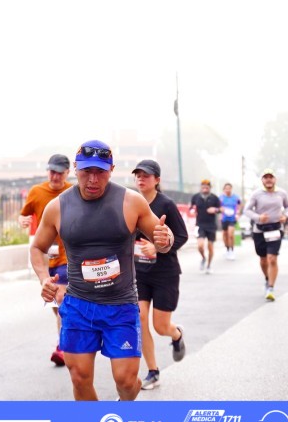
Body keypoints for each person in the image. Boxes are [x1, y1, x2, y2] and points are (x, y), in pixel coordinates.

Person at [29, 140, 175, 401]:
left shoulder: (131, 202)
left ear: (112, 170)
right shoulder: (58, 207)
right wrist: (43, 279)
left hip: (120, 305)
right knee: (79, 377)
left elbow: (163, 239)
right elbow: (37, 248)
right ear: (76, 169)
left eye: (100, 172)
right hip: (78, 305)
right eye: (87, 171)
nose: (93, 179)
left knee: (126, 382)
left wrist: (164, 240)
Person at [131, 159, 189, 390]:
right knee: (140, 318)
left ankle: (176, 335)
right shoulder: (130, 203)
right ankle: (153, 371)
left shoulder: (166, 204)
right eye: (138, 175)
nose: (141, 178)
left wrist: (156, 247)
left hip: (165, 273)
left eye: (146, 175)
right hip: (140, 272)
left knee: (160, 326)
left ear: (157, 180)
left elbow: (182, 236)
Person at [19, 153, 73, 366]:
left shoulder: (72, 192)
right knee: (55, 304)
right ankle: (66, 340)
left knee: (61, 298)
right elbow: (24, 214)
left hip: (66, 256)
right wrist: (22, 220)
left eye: (59, 173)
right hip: (44, 259)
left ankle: (62, 347)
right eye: (52, 172)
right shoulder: (37, 191)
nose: (55, 176)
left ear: (67, 173)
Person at [243, 169, 288, 301]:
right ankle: (267, 278)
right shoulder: (256, 194)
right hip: (259, 230)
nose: (269, 179)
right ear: (262, 180)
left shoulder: (281, 193)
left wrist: (285, 216)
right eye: (266, 177)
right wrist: (258, 217)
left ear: (275, 179)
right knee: (263, 259)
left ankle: (270, 287)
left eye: (271, 177)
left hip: (275, 229)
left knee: (272, 258)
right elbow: (246, 210)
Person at [190, 179, 221, 273]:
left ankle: (209, 265)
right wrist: (192, 210)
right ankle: (203, 258)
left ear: (210, 188)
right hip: (200, 225)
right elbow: (191, 207)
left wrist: (215, 210)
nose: (205, 189)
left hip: (211, 225)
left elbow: (221, 209)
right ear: (201, 187)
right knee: (200, 245)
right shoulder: (196, 197)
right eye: (203, 187)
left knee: (210, 247)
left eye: (207, 187)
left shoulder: (214, 198)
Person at [219, 182, 242, 260]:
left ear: (231, 189)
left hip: (232, 218)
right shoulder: (221, 198)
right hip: (224, 218)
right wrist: (220, 210)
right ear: (224, 189)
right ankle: (227, 249)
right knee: (225, 235)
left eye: (229, 188)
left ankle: (232, 251)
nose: (228, 190)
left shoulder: (236, 197)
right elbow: (218, 207)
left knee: (231, 234)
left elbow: (239, 205)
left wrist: (238, 213)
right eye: (226, 188)